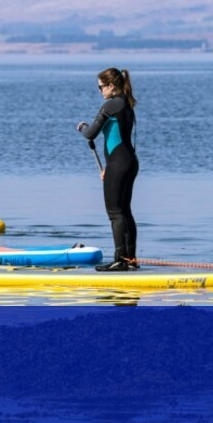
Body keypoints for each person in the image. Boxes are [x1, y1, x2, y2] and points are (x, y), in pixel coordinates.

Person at [77, 68, 139, 272]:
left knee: (115, 213)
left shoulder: (111, 104)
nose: (100, 91)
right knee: (125, 211)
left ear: (111, 86)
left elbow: (90, 134)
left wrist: (82, 127)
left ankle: (120, 260)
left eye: (101, 87)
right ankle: (130, 258)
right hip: (129, 162)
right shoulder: (126, 103)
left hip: (119, 164)